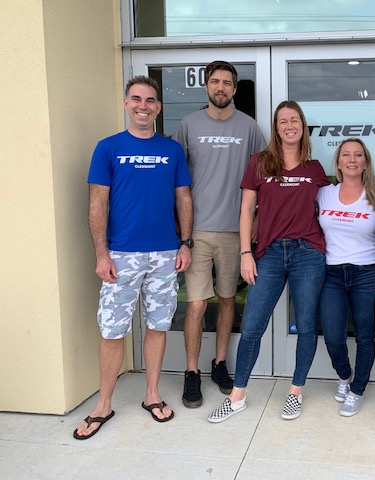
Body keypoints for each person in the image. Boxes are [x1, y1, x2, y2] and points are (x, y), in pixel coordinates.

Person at [73, 76, 193, 440]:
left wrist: (185, 243)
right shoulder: (108, 148)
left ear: (158, 107)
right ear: (126, 103)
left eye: (150, 100)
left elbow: (183, 198)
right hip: (121, 254)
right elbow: (97, 203)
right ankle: (103, 405)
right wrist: (101, 253)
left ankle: (151, 395)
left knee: (158, 325)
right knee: (112, 330)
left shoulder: (171, 150)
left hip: (164, 253)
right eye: (136, 99)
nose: (143, 105)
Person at [208, 100, 330, 423]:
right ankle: (237, 396)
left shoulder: (314, 168)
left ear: (303, 126)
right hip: (269, 253)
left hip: (308, 253)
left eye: (294, 120)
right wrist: (245, 252)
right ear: (276, 128)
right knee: (252, 326)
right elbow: (247, 209)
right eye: (283, 121)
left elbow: (330, 209)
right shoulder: (260, 163)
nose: (289, 126)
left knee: (306, 326)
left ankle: (295, 391)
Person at [174, 61, 266, 407]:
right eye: (215, 81)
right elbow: (176, 179)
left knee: (228, 299)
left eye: (227, 83)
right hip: (197, 230)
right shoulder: (188, 125)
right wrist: (179, 231)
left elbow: (262, 178)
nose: (221, 88)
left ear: (235, 89)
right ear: (207, 86)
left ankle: (219, 363)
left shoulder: (250, 128)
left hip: (233, 231)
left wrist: (256, 221)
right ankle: (191, 371)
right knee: (197, 304)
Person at [317, 139, 375, 417]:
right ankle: (344, 376)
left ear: (366, 162)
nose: (352, 159)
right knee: (333, 337)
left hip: (367, 272)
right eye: (346, 155)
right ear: (338, 162)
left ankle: (357, 390)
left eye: (358, 155)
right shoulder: (323, 194)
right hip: (331, 273)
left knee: (365, 337)